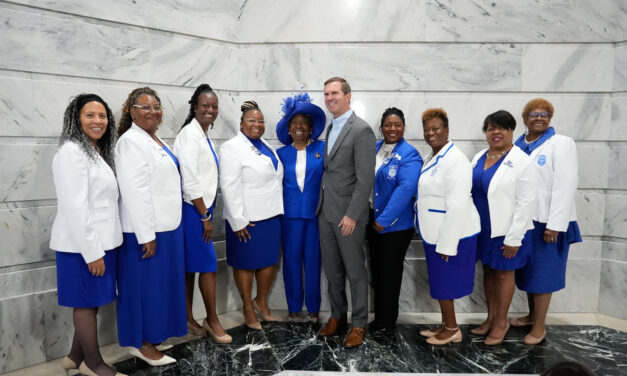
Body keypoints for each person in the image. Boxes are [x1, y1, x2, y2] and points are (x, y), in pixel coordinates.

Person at [51, 94, 126, 376]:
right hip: (81, 246)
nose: (98, 121)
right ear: (76, 119)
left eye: (102, 115)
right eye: (90, 115)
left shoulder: (93, 151)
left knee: (90, 301)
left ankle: (73, 356)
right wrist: (92, 252)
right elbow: (74, 208)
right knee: (85, 303)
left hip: (101, 242)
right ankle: (92, 364)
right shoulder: (71, 152)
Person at [115, 87, 186, 366]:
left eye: (156, 107)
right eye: (146, 107)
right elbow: (135, 192)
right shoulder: (130, 141)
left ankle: (153, 335)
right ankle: (140, 343)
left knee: (158, 288)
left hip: (167, 226)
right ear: (132, 111)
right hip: (145, 232)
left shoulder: (154, 139)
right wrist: (146, 235)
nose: (153, 112)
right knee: (142, 289)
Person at [510, 98, 582, 345]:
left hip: (548, 221)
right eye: (534, 114)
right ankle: (531, 316)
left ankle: (539, 327)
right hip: (525, 220)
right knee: (530, 272)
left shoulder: (561, 144)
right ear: (525, 119)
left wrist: (555, 224)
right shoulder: (517, 145)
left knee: (544, 274)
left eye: (544, 114)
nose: (539, 118)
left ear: (550, 118)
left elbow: (566, 184)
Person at [317, 77, 375, 348]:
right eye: (326, 93)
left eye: (335, 93)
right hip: (326, 213)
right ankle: (337, 317)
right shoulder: (331, 126)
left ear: (348, 96)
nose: (330, 97)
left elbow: (365, 180)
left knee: (355, 272)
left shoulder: (361, 130)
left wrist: (352, 215)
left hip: (348, 216)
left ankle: (359, 323)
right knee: (332, 272)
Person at [470, 110, 537, 345]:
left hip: (508, 231)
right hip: (484, 228)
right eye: (491, 128)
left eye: (502, 128)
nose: (496, 132)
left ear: (511, 131)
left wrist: (514, 238)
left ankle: (501, 322)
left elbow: (527, 202)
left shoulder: (521, 161)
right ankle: (491, 318)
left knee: (503, 274)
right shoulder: (479, 156)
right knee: (488, 272)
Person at [415, 108, 481, 345]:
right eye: (427, 129)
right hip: (435, 230)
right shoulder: (433, 156)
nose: (430, 133)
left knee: (447, 283)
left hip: (453, 234)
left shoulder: (456, 161)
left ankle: (453, 328)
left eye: (436, 128)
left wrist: (447, 244)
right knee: (441, 282)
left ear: (447, 130)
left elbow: (458, 206)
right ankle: (446, 324)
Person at [173, 84, 231, 343]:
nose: (210, 110)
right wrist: (204, 216)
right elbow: (190, 180)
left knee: (190, 268)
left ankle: (186, 318)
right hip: (193, 211)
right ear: (195, 107)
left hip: (200, 209)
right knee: (207, 265)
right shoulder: (189, 134)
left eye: (214, 106)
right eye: (205, 105)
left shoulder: (202, 135)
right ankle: (212, 320)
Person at [219, 100, 284, 330]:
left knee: (269, 262)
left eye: (260, 121)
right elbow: (229, 185)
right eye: (251, 120)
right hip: (247, 219)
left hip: (272, 215)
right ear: (241, 123)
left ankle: (261, 302)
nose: (257, 124)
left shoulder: (266, 145)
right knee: (246, 264)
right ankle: (248, 307)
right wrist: (238, 221)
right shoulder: (231, 147)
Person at [367, 107, 422, 331]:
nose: (392, 129)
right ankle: (380, 318)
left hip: (395, 225)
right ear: (381, 128)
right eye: (388, 125)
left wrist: (385, 218)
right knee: (378, 272)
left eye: (397, 125)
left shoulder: (410, 154)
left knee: (389, 274)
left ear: (403, 127)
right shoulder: (376, 148)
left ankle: (387, 323)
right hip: (372, 221)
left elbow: (406, 188)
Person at [275, 93, 326, 323]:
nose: (298, 128)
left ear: (310, 128)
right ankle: (294, 307)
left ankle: (313, 308)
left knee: (313, 262)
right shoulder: (280, 154)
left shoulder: (322, 149)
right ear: (288, 128)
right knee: (292, 262)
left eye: (303, 124)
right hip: (290, 216)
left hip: (315, 215)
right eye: (294, 124)